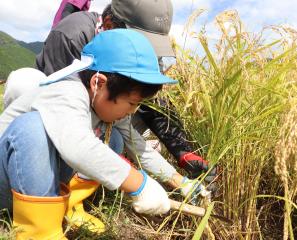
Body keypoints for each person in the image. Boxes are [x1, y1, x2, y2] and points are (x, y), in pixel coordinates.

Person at [0, 29, 178, 239]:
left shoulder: (103, 105)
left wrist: (178, 180)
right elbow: (78, 145)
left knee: (115, 140)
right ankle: (40, 233)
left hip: (33, 189)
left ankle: (69, 206)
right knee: (32, 128)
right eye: (131, 103)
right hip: (6, 184)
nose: (132, 111)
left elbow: (137, 145)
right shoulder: (67, 91)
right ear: (98, 83)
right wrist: (138, 184)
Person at [37, 0, 217, 184]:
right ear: (108, 25)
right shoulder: (71, 37)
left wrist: (183, 151)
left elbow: (153, 103)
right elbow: (63, 121)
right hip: (63, 123)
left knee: (116, 139)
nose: (144, 53)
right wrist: (127, 176)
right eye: (137, 43)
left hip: (106, 112)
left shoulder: (141, 60)